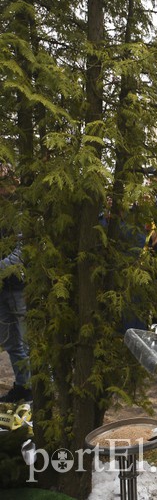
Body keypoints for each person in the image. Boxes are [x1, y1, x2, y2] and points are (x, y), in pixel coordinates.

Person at [0, 167, 31, 403]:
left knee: (27, 341)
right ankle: (23, 386)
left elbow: (23, 252)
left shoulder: (22, 211)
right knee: (11, 342)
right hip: (3, 287)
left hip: (20, 286)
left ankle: (39, 389)